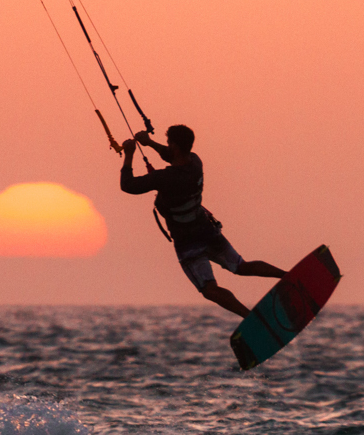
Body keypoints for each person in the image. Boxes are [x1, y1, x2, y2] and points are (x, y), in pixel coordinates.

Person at [119, 124, 285, 318]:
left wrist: (129, 154)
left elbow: (128, 185)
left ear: (175, 146)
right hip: (207, 231)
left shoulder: (164, 178)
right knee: (241, 266)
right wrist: (149, 143)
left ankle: (251, 317)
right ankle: (288, 276)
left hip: (188, 243)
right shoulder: (195, 163)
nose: (167, 146)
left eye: (169, 143)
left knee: (209, 289)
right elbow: (171, 156)